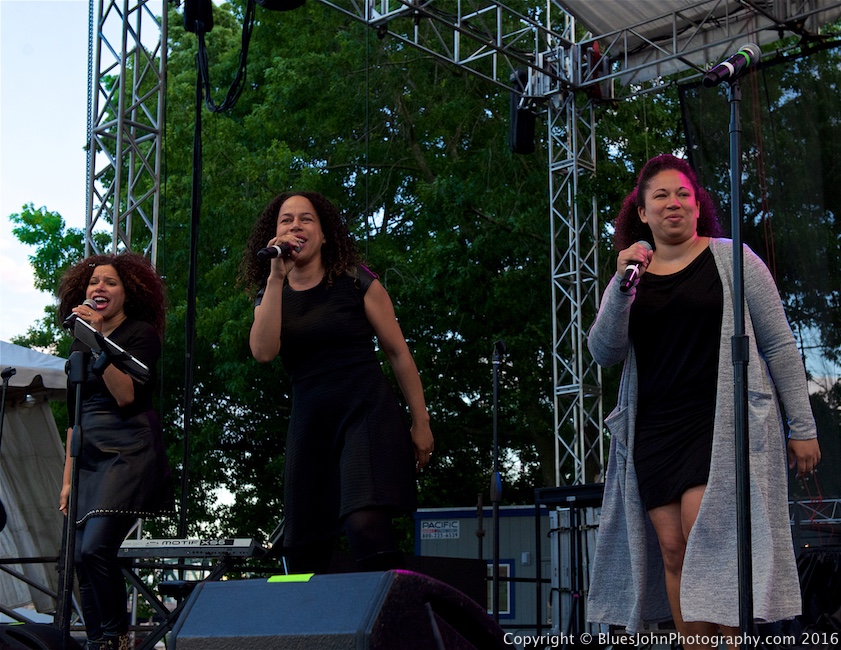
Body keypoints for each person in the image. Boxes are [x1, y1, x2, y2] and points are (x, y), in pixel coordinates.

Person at [586, 154, 820, 648]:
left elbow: (778, 343)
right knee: (673, 550)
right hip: (653, 429)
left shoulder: (733, 259)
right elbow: (604, 350)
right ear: (643, 214)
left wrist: (803, 426)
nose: (673, 203)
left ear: (697, 206)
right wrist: (621, 286)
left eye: (683, 194)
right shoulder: (632, 275)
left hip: (719, 423)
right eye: (660, 197)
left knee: (709, 544)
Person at [242, 191, 434, 574]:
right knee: (302, 549)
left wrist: (421, 421)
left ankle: (392, 620)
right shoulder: (271, 293)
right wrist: (276, 277)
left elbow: (398, 353)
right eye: (286, 220)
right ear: (273, 232)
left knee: (365, 523)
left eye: (306, 219)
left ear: (325, 234)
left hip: (365, 410)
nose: (295, 225)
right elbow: (263, 352)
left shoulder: (356, 281)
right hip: (311, 420)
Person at [58, 253, 174, 650]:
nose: (99, 289)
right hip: (88, 455)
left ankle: (118, 638)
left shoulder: (141, 334)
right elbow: (74, 417)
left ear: (127, 293)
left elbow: (126, 395)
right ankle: (98, 642)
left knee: (96, 548)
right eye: (93, 283)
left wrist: (98, 343)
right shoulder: (78, 342)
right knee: (78, 562)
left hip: (128, 449)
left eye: (109, 283)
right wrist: (67, 479)